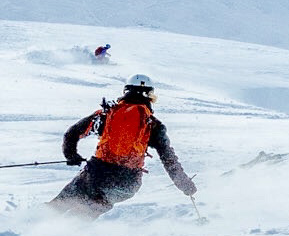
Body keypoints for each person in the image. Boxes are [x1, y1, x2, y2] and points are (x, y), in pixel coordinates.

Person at [52, 77, 197, 214]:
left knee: (57, 207)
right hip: (127, 184)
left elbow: (72, 133)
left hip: (97, 175)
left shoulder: (106, 114)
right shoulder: (153, 124)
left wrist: (72, 155)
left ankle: (43, 222)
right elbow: (169, 159)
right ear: (149, 96)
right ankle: (70, 229)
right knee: (81, 217)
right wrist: (184, 185)